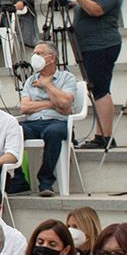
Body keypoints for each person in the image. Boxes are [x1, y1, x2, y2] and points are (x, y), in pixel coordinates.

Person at [68, 0, 124, 149]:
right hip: (88, 47)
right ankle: (101, 134)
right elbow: (85, 6)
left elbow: (96, 10)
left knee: (101, 90)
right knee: (97, 88)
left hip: (102, 45)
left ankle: (105, 136)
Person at [16, 41, 78, 198]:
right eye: (34, 53)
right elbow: (25, 107)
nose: (35, 57)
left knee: (53, 133)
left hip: (58, 122)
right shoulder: (30, 80)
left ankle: (45, 181)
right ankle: (18, 179)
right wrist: (52, 103)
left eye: (39, 53)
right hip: (33, 122)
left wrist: (47, 85)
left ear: (51, 58)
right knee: (13, 131)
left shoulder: (67, 77)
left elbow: (65, 103)